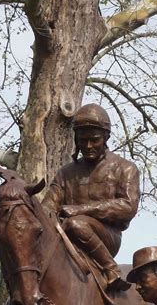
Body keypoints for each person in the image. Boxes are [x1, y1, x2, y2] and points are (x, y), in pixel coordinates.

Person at [42, 103, 139, 290]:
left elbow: (128, 206)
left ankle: (111, 269)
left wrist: (80, 210)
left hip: (106, 237)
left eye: (94, 140)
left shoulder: (125, 168)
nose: (88, 146)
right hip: (65, 236)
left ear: (106, 137)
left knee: (76, 223)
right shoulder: (66, 173)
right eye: (82, 140)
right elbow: (48, 206)